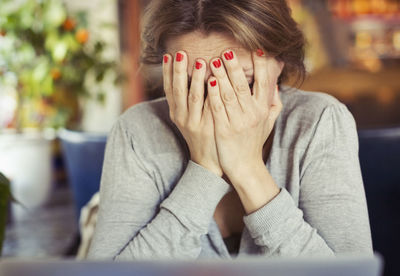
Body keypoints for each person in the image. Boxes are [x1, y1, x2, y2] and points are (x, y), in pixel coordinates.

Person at [87, 0, 373, 260]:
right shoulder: (137, 131)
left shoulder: (320, 122)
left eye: (242, 84)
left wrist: (247, 168)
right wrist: (205, 168)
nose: (217, 107)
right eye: (192, 84)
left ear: (279, 62)